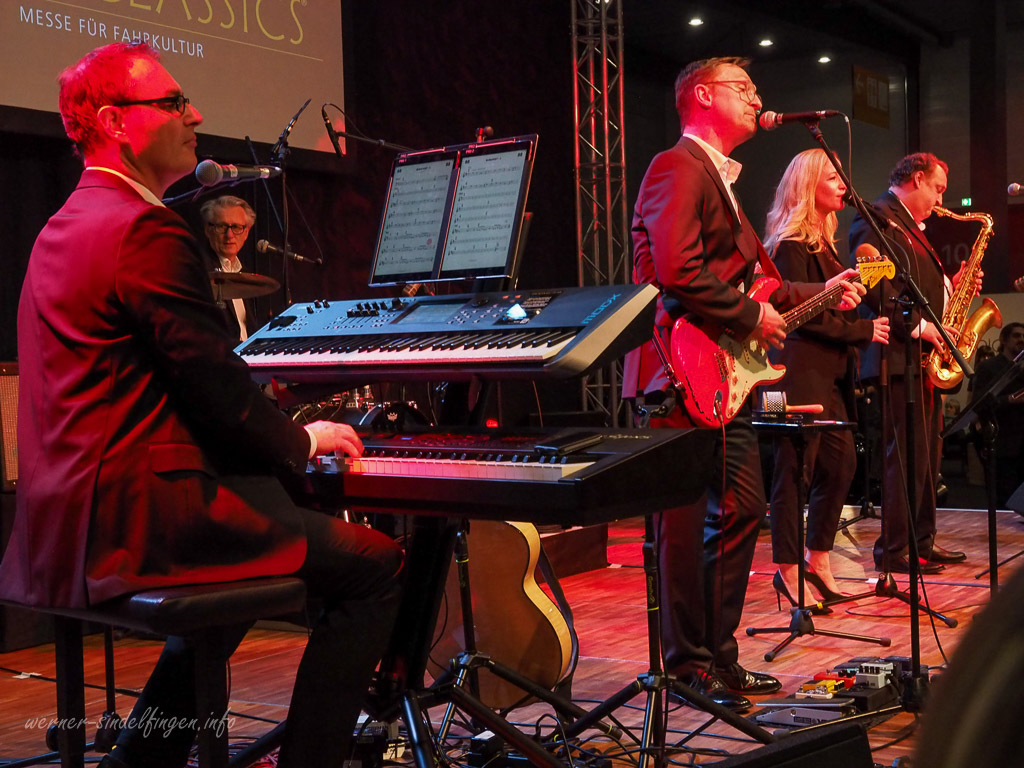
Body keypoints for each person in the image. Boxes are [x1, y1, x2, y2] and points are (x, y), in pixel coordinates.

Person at [0, 42, 403, 768]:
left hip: (60, 526)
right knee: (377, 565)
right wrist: (304, 441)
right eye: (174, 102)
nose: (196, 114)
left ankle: (141, 761)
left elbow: (170, 383)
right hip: (140, 521)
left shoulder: (63, 225)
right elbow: (217, 389)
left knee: (248, 559)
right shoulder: (144, 228)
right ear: (116, 123)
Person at [622, 56, 865, 712]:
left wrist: (825, 291)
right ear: (703, 96)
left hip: (718, 377)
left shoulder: (721, 180)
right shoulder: (676, 165)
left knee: (742, 509)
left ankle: (718, 658)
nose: (758, 98)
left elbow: (757, 286)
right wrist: (752, 317)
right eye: (744, 87)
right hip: (677, 371)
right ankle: (686, 667)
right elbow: (677, 270)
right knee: (681, 528)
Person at [763, 149, 889, 604]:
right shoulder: (789, 245)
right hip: (791, 376)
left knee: (841, 464)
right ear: (807, 185)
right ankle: (787, 568)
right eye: (833, 177)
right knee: (793, 471)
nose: (843, 185)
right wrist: (863, 331)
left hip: (829, 373)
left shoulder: (824, 246)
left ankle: (817, 559)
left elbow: (830, 307)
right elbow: (798, 315)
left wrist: (856, 302)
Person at [849, 152, 978, 574]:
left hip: (921, 359)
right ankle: (893, 549)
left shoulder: (910, 228)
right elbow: (876, 290)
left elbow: (913, 288)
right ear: (917, 178)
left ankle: (921, 541)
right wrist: (924, 328)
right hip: (898, 357)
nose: (941, 200)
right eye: (938, 189)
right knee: (904, 457)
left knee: (926, 459)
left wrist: (952, 287)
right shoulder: (876, 219)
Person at [970, 322, 1024, 508]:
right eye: (1016, 336)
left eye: (1023, 336)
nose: (1021, 340)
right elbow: (978, 404)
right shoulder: (988, 367)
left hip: (1021, 444)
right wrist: (1009, 400)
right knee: (1004, 502)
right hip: (1001, 443)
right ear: (1003, 340)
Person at [200, 194, 262, 341]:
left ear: (246, 232)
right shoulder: (200, 270)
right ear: (208, 230)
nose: (229, 235)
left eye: (236, 227)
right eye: (222, 227)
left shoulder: (245, 273)